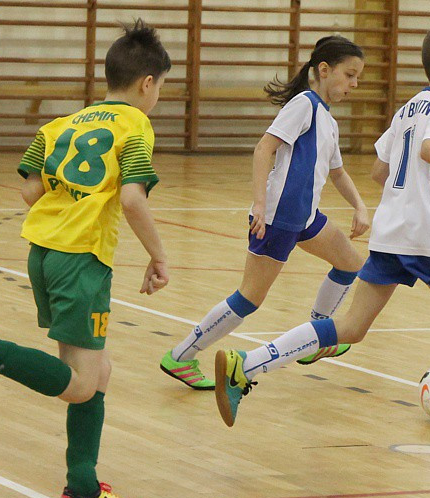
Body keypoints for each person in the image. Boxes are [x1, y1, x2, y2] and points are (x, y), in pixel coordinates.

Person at [214, 23, 430, 477]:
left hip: (390, 233)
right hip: (424, 237)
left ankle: (245, 365)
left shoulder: (410, 106)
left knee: (349, 327)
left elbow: (379, 169)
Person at [0, 19, 172, 498]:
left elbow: (29, 191)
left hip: (42, 252)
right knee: (82, 382)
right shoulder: (136, 126)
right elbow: (131, 198)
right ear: (147, 83)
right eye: (161, 88)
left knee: (96, 370)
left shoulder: (60, 125)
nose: (158, 99)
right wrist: (159, 254)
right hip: (82, 258)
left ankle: (82, 487)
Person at [159, 35, 370, 390]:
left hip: (305, 218)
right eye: (349, 75)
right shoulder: (303, 104)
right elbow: (263, 149)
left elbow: (337, 172)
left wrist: (361, 206)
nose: (354, 84)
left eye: (358, 78)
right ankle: (180, 356)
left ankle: (320, 334)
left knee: (351, 264)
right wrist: (259, 204)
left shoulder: (328, 120)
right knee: (248, 299)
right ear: (323, 70)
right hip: (278, 218)